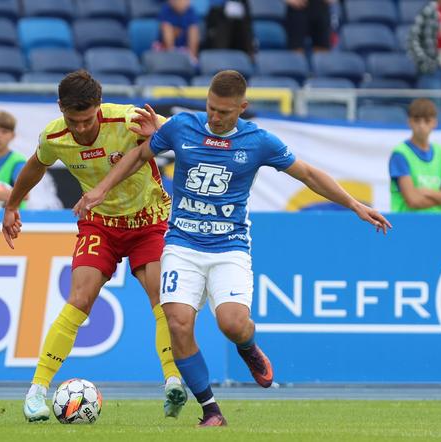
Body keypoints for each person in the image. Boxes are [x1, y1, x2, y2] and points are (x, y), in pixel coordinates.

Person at [74, 70, 392, 427]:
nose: (214, 117)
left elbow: (307, 174)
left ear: (242, 107)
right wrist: (101, 188)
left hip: (229, 246)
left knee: (232, 324)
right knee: (178, 323)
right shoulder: (181, 127)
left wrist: (355, 206)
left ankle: (248, 347)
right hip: (182, 242)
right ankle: (211, 411)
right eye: (210, 108)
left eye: (224, 112)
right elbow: (138, 155)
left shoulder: (259, 142)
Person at [1, 70, 187, 422]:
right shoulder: (54, 136)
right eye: (74, 121)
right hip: (100, 224)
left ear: (99, 107)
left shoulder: (128, 119)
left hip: (149, 221)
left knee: (162, 299)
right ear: (61, 109)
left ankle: (173, 381)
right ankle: (37, 391)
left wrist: (161, 133)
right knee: (79, 300)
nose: (82, 129)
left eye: (87, 120)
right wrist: (12, 205)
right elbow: (35, 166)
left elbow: (185, 133)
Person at [389, 98, 441, 212]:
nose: (422, 126)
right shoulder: (400, 153)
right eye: (417, 120)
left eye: (427, 120)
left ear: (434, 122)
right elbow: (413, 200)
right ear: (409, 122)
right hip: (408, 224)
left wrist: (427, 192)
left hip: (438, 224)